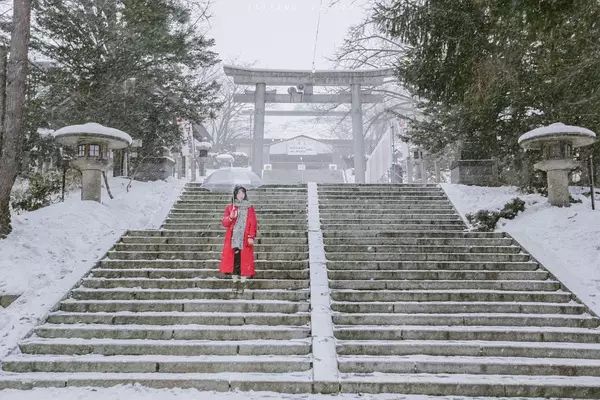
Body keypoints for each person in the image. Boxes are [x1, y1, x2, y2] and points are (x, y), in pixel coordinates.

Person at [219, 185, 258, 293]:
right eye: (239, 193)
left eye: (243, 193)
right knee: (235, 260)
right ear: (235, 194)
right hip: (233, 238)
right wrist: (231, 217)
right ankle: (235, 282)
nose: (241, 195)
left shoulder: (250, 208)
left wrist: (251, 236)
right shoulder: (230, 207)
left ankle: (243, 283)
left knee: (244, 261)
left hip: (245, 239)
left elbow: (253, 223)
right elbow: (225, 223)